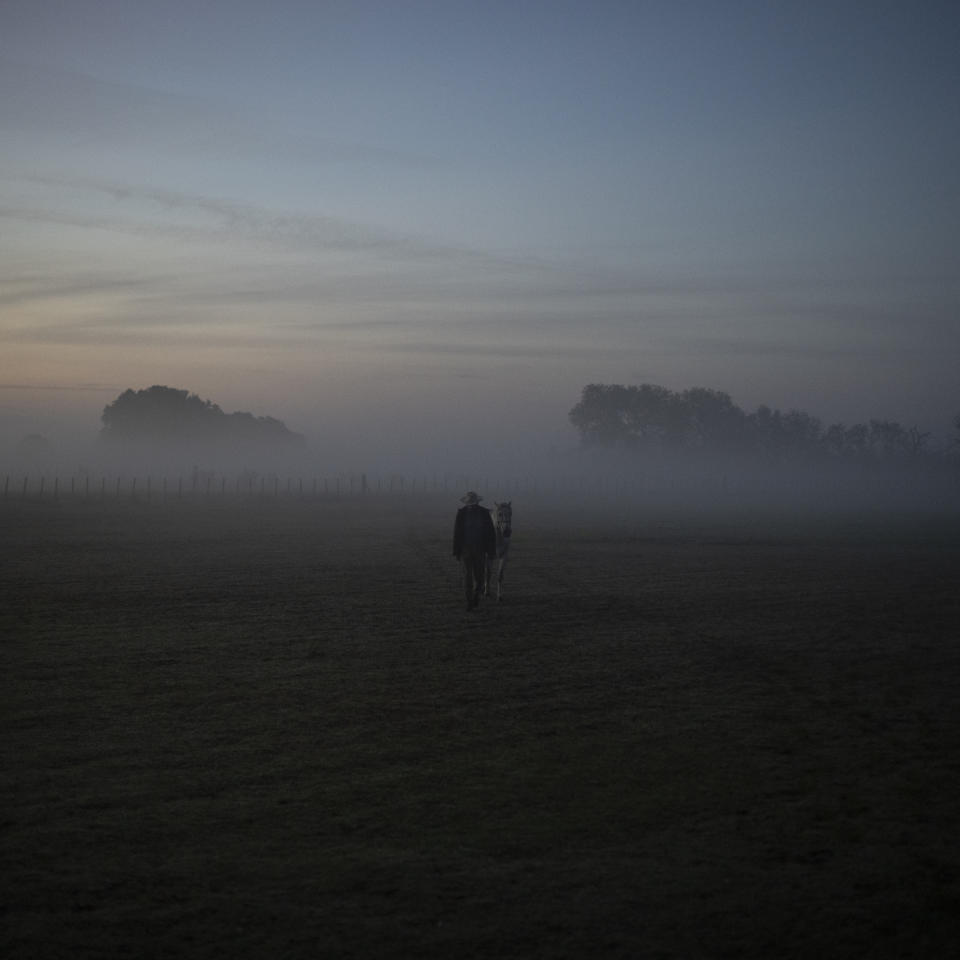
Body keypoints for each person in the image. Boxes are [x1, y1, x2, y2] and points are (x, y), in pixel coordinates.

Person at [452, 491, 496, 610]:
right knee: (467, 577)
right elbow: (457, 533)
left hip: (480, 550)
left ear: (476, 502)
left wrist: (491, 552)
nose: (471, 504)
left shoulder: (484, 513)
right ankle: (469, 601)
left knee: (480, 577)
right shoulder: (461, 514)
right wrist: (456, 551)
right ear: (466, 503)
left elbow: (491, 534)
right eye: (469, 502)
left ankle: (476, 596)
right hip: (465, 550)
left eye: (472, 502)